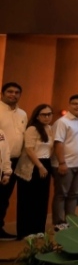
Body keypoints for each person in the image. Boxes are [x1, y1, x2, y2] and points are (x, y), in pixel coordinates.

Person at [14, 105, 52, 239]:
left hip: (46, 163)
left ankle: (38, 229)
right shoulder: (32, 129)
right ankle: (25, 231)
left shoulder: (49, 128)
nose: (47, 117)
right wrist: (40, 166)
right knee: (28, 199)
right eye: (43, 114)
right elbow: (29, 149)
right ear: (37, 116)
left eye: (49, 114)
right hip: (32, 165)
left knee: (41, 199)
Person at [52, 94, 78, 230]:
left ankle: (71, 221)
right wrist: (62, 163)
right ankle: (59, 222)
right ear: (69, 105)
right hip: (65, 164)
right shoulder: (62, 122)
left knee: (74, 195)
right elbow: (58, 143)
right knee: (61, 194)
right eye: (75, 103)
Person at [0, 82, 27, 240]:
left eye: (17, 92)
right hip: (1, 160)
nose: (13, 95)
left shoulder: (22, 113)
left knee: (4, 197)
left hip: (15, 161)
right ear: (2, 93)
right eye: (10, 91)